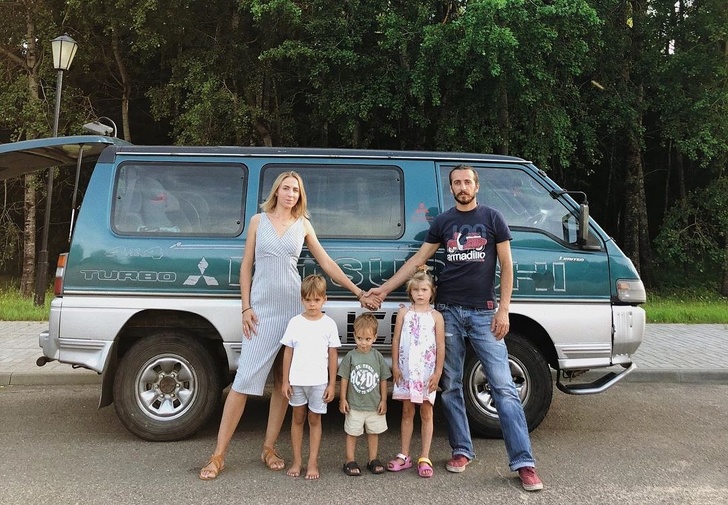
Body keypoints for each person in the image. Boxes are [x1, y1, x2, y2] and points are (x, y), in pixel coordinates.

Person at [369, 165, 544, 491]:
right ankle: (462, 450)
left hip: (484, 313)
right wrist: (383, 289)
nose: (462, 187)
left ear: (476, 186)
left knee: (504, 387)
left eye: (467, 182)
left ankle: (524, 463)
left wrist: (504, 309)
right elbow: (417, 260)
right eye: (457, 183)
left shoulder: (493, 218)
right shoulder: (444, 222)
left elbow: (507, 265)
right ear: (451, 188)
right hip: (447, 312)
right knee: (450, 386)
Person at [199, 171, 380, 480]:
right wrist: (246, 307)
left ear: (300, 195)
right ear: (277, 191)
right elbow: (246, 267)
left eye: (296, 190)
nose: (290, 194)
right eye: (286, 188)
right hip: (261, 312)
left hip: (294, 311)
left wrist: (359, 292)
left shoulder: (303, 225)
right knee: (243, 382)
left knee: (284, 382)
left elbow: (327, 264)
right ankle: (218, 455)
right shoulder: (258, 221)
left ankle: (269, 448)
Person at [280, 274, 340, 480]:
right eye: (308, 300)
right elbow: (288, 352)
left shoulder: (329, 324)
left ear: (324, 299)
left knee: (315, 419)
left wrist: (332, 384)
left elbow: (333, 355)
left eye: (316, 299)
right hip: (297, 381)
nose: (312, 304)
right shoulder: (295, 323)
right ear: (302, 300)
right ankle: (297, 461)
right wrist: (285, 381)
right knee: (297, 418)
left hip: (319, 382)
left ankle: (313, 462)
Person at [387, 267, 445, 478]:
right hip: (406, 371)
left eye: (424, 290)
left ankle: (425, 456)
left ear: (432, 291)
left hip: (426, 372)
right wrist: (395, 365)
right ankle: (404, 455)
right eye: (416, 290)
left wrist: (438, 372)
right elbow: (396, 340)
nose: (420, 294)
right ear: (410, 292)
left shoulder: (436, 316)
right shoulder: (404, 312)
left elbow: (440, 344)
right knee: (406, 411)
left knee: (426, 412)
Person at [337, 312, 391, 476]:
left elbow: (383, 379)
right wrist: (342, 398)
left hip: (374, 405)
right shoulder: (350, 356)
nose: (363, 343)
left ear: (374, 338)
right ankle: (349, 460)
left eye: (367, 339)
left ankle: (372, 459)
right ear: (354, 335)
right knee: (352, 433)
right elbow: (344, 378)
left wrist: (384, 400)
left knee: (373, 432)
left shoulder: (377, 357)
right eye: (359, 338)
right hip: (354, 405)